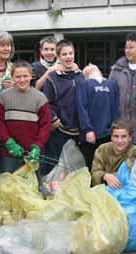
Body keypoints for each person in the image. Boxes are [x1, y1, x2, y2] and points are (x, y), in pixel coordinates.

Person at [0, 60, 51, 173]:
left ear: (31, 76)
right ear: (12, 77)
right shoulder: (3, 97)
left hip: (33, 154)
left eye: (25, 76)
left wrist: (38, 146)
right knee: (8, 187)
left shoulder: (40, 98)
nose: (22, 79)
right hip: (9, 153)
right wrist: (8, 143)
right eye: (18, 76)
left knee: (33, 188)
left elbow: (46, 125)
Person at [42, 39, 84, 174]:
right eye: (64, 54)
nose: (68, 57)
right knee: (56, 166)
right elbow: (46, 103)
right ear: (58, 57)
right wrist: (54, 119)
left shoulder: (81, 76)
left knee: (76, 165)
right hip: (60, 130)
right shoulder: (52, 78)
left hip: (79, 130)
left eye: (71, 53)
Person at [77, 64, 120, 170]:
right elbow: (116, 109)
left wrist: (87, 129)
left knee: (91, 164)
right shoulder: (112, 85)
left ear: (86, 75)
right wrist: (116, 129)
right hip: (109, 133)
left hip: (91, 134)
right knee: (107, 165)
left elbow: (81, 108)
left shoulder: (83, 84)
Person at [91, 118, 136, 187]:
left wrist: (111, 176)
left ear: (130, 138)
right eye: (116, 136)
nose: (119, 141)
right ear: (111, 137)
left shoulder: (134, 151)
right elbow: (94, 174)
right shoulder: (102, 149)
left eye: (123, 136)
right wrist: (105, 176)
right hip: (103, 190)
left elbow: (127, 174)